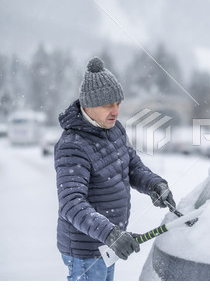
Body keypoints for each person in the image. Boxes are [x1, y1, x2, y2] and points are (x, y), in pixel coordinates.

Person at [54, 57, 176, 281]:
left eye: (118, 104)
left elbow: (132, 166)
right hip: (86, 250)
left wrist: (154, 185)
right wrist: (109, 233)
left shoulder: (113, 129)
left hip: (109, 243)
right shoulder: (73, 145)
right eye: (107, 105)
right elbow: (71, 203)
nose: (115, 111)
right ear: (88, 106)